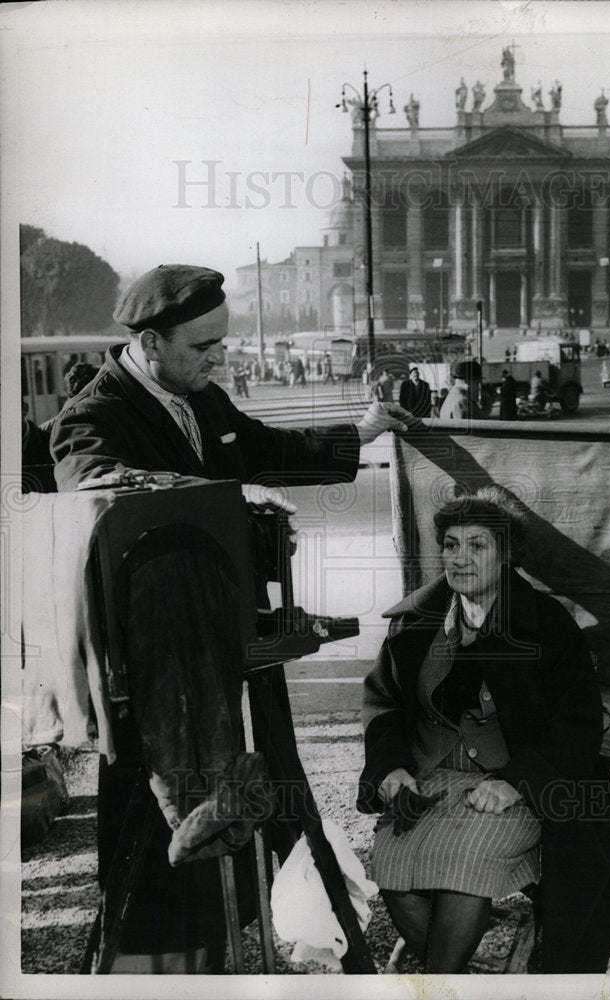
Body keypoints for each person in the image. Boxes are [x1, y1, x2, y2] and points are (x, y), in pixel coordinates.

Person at [49, 264, 412, 972]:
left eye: (222, 344)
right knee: (162, 829)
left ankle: (267, 925)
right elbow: (101, 490)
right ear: (150, 344)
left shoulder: (202, 399)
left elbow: (269, 450)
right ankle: (156, 966)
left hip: (234, 643)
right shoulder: (91, 416)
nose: (218, 360)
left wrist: (360, 432)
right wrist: (225, 494)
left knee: (268, 792)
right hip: (157, 672)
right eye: (201, 347)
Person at [357, 488, 610, 973]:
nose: (460, 558)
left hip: (513, 780)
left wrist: (517, 781)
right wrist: (390, 766)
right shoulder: (417, 622)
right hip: (431, 778)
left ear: (507, 555)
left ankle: (442, 984)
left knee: (464, 869)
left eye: (477, 545)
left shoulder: (546, 625)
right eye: (451, 545)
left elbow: (577, 723)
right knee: (394, 875)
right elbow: (384, 702)